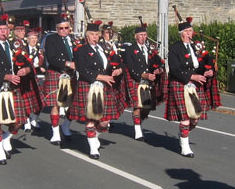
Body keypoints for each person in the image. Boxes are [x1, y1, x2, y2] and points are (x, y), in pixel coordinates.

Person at [69, 20, 124, 159]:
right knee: (91, 119)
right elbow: (82, 70)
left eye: (96, 34)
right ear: (87, 36)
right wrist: (101, 77)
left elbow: (118, 60)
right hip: (89, 86)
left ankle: (95, 135)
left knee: (105, 121)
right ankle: (93, 148)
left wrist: (118, 69)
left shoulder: (104, 48)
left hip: (104, 87)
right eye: (92, 34)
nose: (95, 37)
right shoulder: (81, 50)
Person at [0, 19, 34, 164]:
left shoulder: (14, 46)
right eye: (0, 29)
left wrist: (26, 70)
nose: (4, 32)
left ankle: (5, 138)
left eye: (5, 29)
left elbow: (28, 63)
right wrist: (6, 76)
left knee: (19, 121)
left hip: (13, 87)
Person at [166, 17, 212, 158]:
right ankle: (185, 147)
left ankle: (183, 133)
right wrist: (192, 77)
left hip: (194, 85)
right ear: (181, 33)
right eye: (187, 31)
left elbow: (201, 64)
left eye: (191, 31)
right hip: (180, 84)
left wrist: (207, 71)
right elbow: (174, 68)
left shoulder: (195, 47)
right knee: (185, 117)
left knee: (195, 118)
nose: (189, 33)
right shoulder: (175, 48)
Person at [123, 22, 165, 141]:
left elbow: (158, 61)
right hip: (136, 80)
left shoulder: (149, 49)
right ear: (136, 36)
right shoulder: (131, 49)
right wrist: (145, 75)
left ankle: (139, 123)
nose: (143, 37)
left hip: (148, 82)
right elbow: (130, 67)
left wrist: (158, 69)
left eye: (145, 35)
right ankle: (137, 131)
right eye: (140, 35)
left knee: (146, 107)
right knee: (138, 106)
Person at [42, 16, 77, 146]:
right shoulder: (51, 39)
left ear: (69, 28)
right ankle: (55, 133)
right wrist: (67, 63)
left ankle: (66, 126)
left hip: (71, 75)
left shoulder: (74, 39)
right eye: (60, 28)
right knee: (56, 104)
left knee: (73, 104)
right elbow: (51, 57)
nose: (63, 30)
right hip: (56, 73)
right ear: (56, 29)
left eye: (66, 28)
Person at [24, 27, 46, 132]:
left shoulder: (40, 51)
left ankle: (34, 119)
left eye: (35, 38)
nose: (33, 40)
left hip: (39, 77)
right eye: (31, 38)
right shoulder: (23, 50)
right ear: (27, 39)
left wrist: (43, 68)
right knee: (28, 101)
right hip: (27, 78)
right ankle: (27, 122)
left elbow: (44, 63)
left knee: (40, 101)